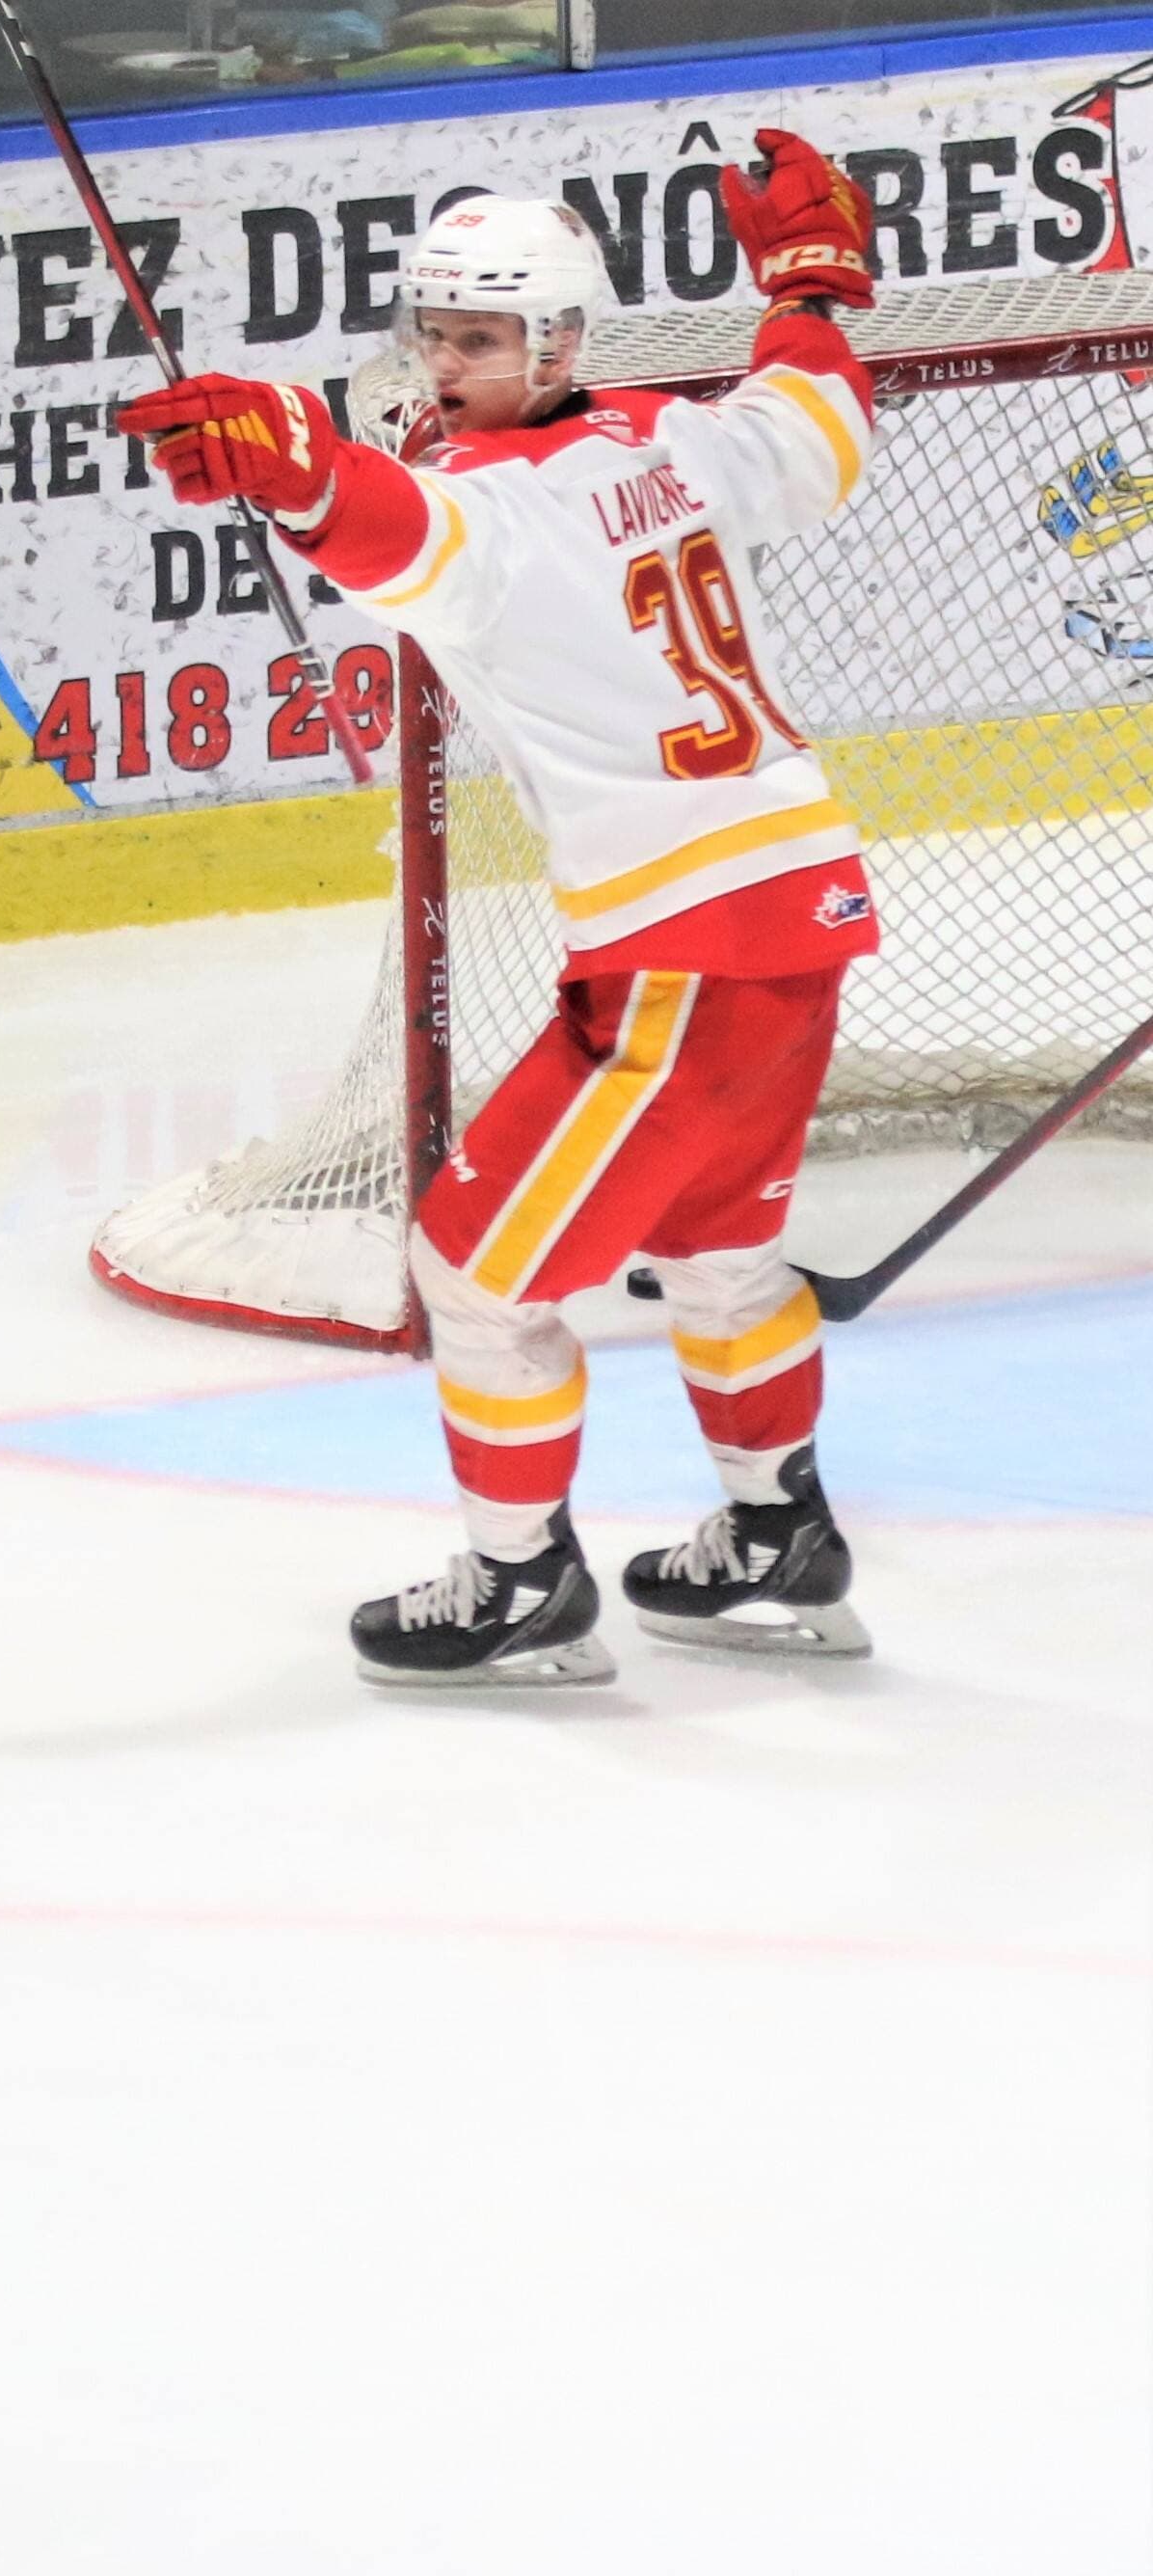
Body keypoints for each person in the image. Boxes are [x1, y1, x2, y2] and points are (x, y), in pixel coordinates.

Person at [123, 131, 882, 1686]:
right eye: (437, 333)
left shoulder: (493, 510)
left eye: (479, 338)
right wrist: (811, 281)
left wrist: (292, 469)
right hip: (793, 913)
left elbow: (398, 526)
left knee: (471, 1271)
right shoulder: (675, 440)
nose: (447, 363)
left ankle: (521, 1577)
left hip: (681, 951)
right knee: (722, 1247)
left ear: (555, 342)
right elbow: (818, 419)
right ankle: (776, 1531)